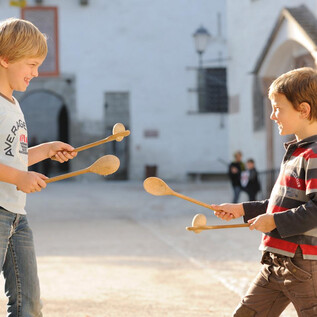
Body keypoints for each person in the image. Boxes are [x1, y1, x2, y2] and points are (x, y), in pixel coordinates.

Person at [212, 67, 317, 316]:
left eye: (278, 108)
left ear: (304, 110)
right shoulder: (298, 151)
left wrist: (274, 221)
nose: (271, 116)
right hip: (275, 263)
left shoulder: (314, 154)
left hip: (304, 266)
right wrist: (242, 209)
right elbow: (283, 203)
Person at [0, 18, 77, 316]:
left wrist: (45, 150)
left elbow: (12, 157)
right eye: (31, 64)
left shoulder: (14, 105)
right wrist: (19, 177)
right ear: (5, 59)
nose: (36, 72)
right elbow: (14, 170)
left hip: (18, 216)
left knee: (30, 304)